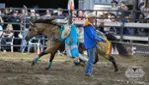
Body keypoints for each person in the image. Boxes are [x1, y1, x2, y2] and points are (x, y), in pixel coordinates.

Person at [83, 12, 106, 76]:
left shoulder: (88, 26)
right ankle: (88, 72)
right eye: (93, 18)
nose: (94, 19)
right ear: (89, 18)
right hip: (91, 44)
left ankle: (86, 72)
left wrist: (100, 38)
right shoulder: (89, 27)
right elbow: (93, 36)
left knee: (91, 59)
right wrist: (101, 39)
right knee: (91, 59)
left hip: (89, 44)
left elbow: (93, 35)